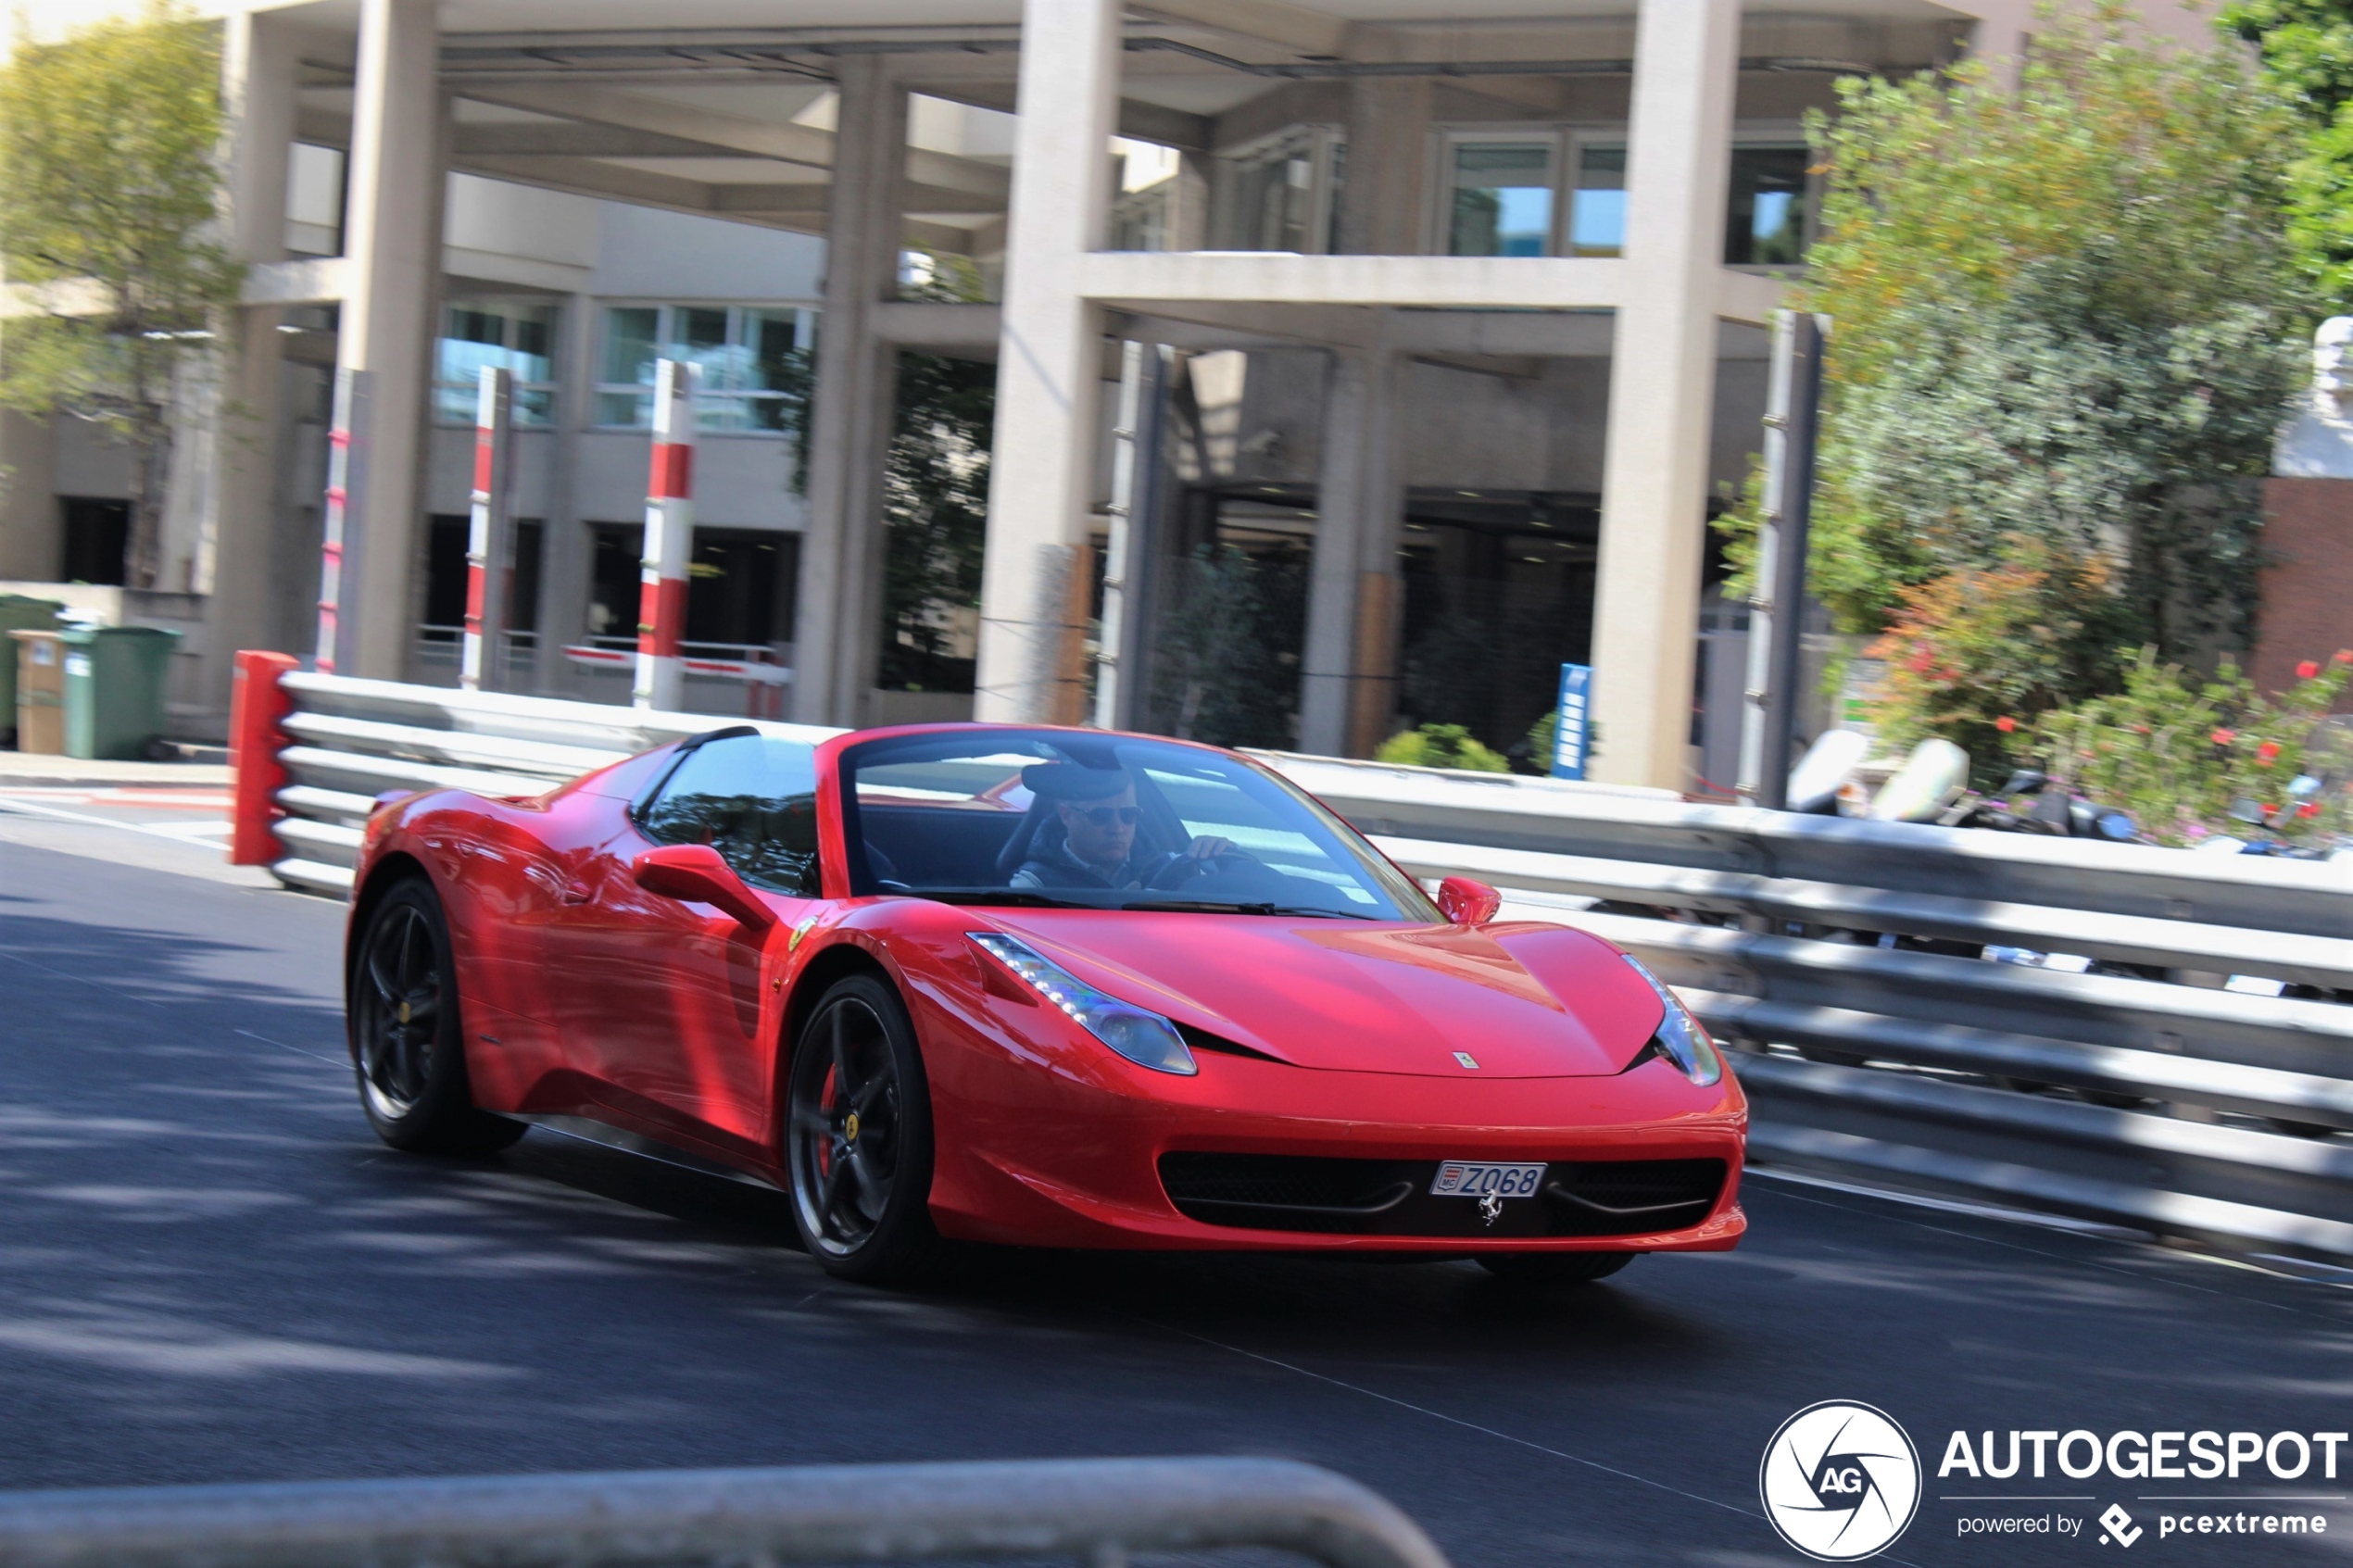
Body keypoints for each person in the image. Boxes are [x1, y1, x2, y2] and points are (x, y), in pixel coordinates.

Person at [1009, 763, 1234, 891]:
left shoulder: (1171, 867)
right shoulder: (1034, 884)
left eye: (1129, 815)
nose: (1117, 827)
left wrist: (1222, 858)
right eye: (1101, 816)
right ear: (1066, 816)